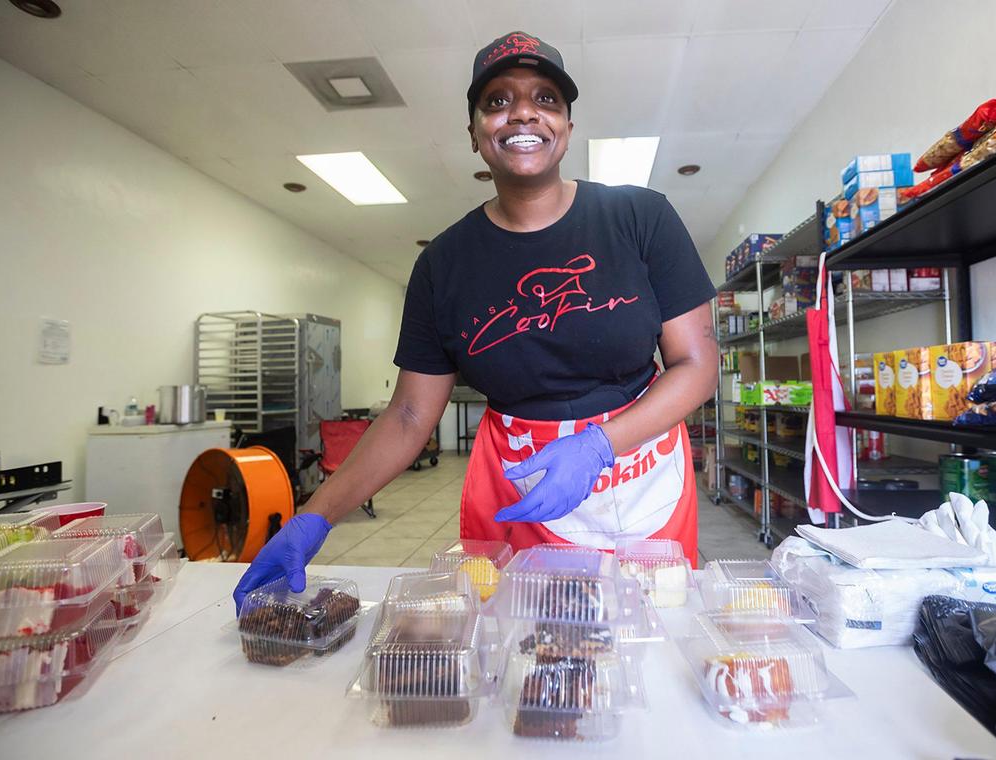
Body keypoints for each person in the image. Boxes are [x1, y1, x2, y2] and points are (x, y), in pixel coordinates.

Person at [233, 31, 718, 611]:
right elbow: (411, 414)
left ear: (566, 125)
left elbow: (696, 363)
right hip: (521, 485)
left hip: (640, 464)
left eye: (545, 99)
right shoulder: (443, 264)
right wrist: (314, 517)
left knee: (650, 637)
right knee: (533, 649)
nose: (522, 112)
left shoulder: (639, 217)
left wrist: (598, 446)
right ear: (473, 134)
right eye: (496, 100)